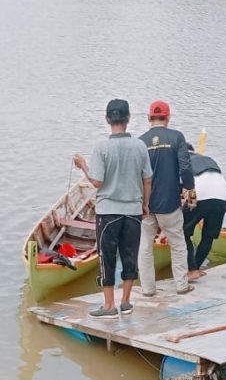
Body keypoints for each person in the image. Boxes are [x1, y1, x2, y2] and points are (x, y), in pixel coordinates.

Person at [73, 99, 152, 318]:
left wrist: (83, 166)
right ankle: (126, 302)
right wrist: (145, 204)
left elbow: (97, 182)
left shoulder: (102, 148)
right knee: (130, 255)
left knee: (107, 257)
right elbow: (147, 180)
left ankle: (109, 305)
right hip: (133, 210)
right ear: (128, 119)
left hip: (108, 212)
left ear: (108, 119)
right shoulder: (139, 146)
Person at [138, 100, 196, 295]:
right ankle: (181, 285)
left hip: (145, 204)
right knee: (178, 244)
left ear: (148, 118)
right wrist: (190, 189)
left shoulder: (140, 142)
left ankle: (147, 289)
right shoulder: (177, 137)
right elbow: (186, 167)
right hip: (170, 202)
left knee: (145, 247)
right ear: (168, 118)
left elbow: (136, 173)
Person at [182, 143, 226, 281]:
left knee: (182, 231)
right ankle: (196, 267)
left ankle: (192, 269)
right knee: (208, 236)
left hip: (199, 193)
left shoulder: (182, 159)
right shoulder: (208, 159)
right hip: (222, 195)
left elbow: (184, 183)